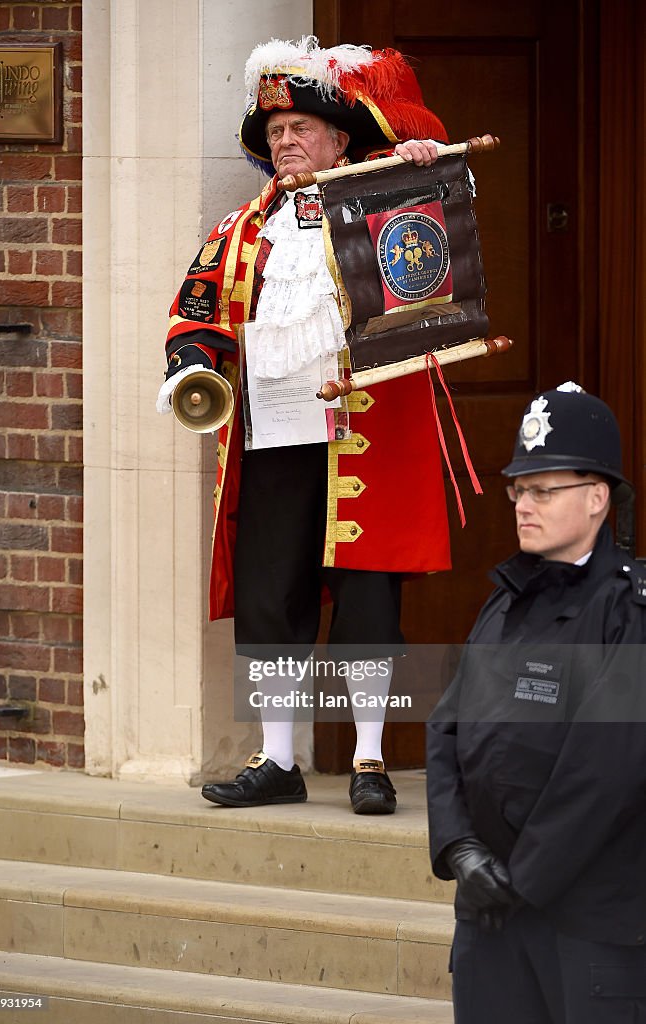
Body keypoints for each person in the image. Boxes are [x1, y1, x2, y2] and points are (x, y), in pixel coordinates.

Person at [161, 37, 454, 814]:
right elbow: (195, 314)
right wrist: (191, 367)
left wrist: (421, 175)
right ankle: (279, 759)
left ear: (341, 139)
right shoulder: (240, 230)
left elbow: (438, 262)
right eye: (275, 132)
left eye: (301, 128)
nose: (286, 141)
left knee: (367, 599)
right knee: (270, 596)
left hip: (368, 433)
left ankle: (367, 759)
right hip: (274, 435)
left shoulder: (387, 198)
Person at [426, 381, 646, 1023]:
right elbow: (445, 733)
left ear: (598, 497)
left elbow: (606, 771)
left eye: (544, 491)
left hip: (585, 925)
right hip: (487, 916)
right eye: (519, 489)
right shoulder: (503, 601)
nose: (524, 505)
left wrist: (519, 881)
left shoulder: (626, 613)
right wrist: (461, 851)